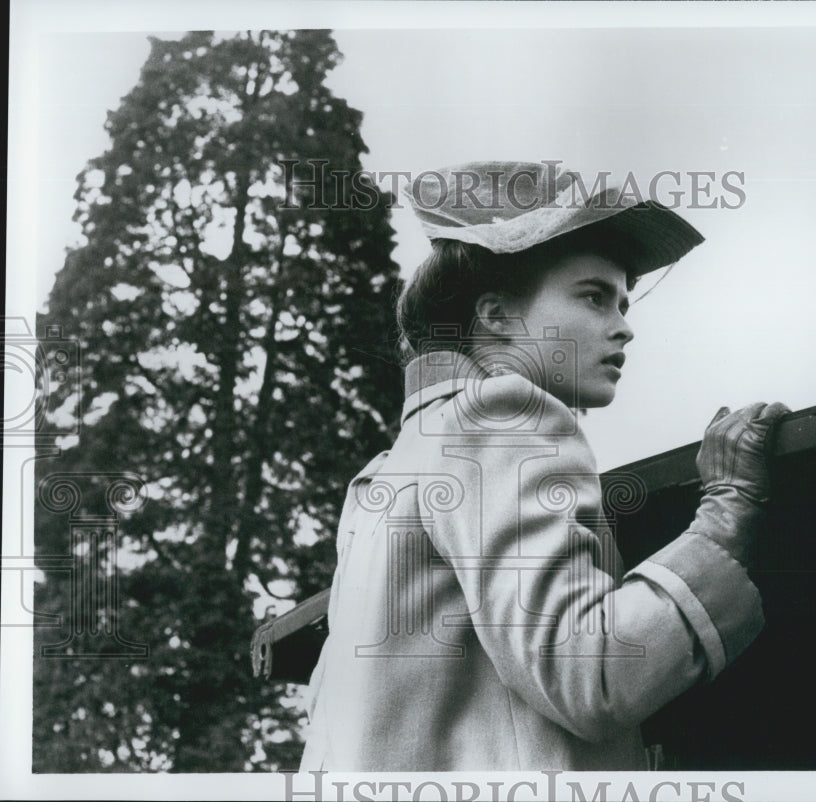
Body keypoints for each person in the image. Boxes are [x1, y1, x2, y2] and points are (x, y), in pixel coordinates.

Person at [299, 161, 788, 771]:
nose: (624, 327)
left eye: (624, 303)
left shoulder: (387, 473)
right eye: (593, 296)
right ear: (497, 315)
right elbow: (590, 672)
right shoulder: (503, 416)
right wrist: (727, 514)